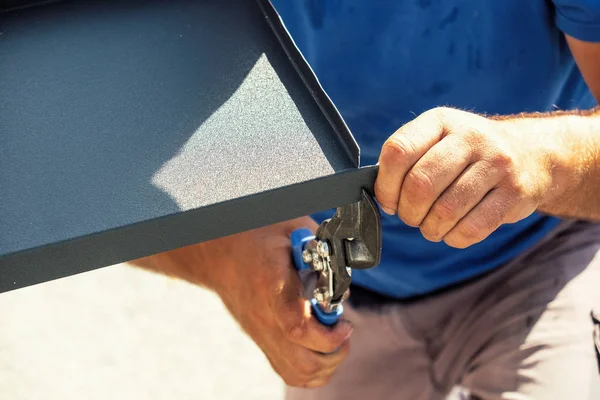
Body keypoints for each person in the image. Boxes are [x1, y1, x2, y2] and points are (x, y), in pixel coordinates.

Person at [133, 1, 600, 399]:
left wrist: (544, 160)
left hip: (546, 252)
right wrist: (226, 257)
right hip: (332, 291)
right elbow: (97, 181)